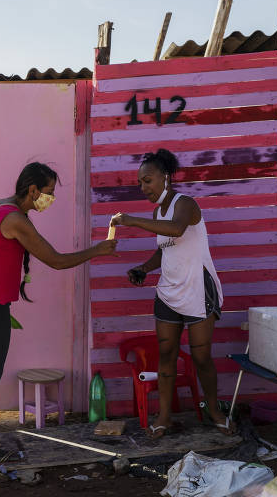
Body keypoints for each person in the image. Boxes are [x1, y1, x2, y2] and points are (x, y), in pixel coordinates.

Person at [0, 162, 118, 463]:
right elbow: (55, 260)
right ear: (32, 190)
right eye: (49, 193)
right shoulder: (16, 220)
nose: (50, 199)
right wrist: (97, 250)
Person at [110, 148, 234, 439]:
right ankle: (164, 417)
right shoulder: (157, 212)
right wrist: (144, 268)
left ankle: (216, 412)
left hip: (197, 290)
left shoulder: (185, 204)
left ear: (165, 177)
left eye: (148, 181)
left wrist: (131, 220)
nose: (144, 188)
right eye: (140, 182)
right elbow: (165, 248)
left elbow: (176, 230)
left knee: (201, 357)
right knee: (165, 355)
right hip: (168, 292)